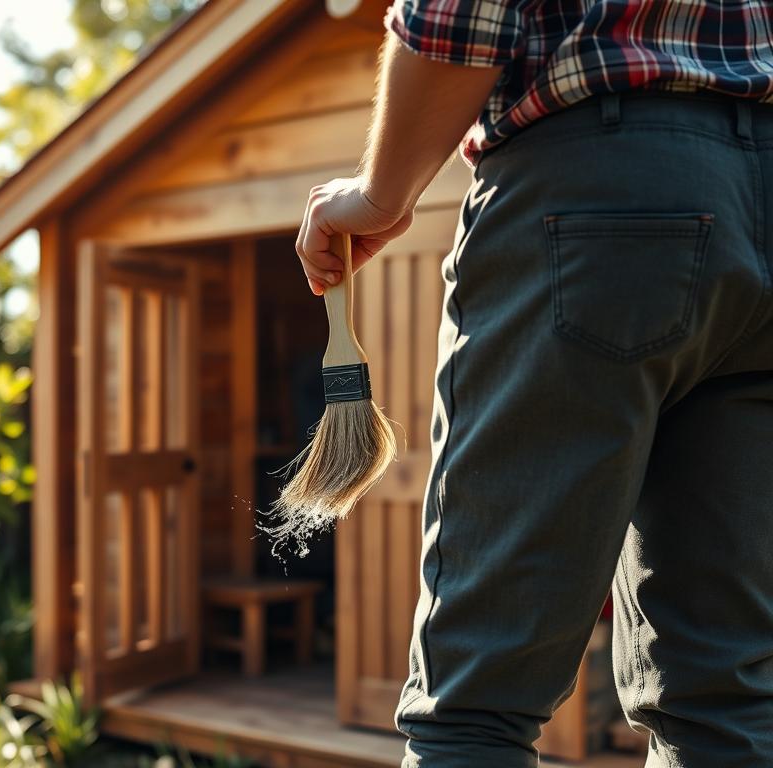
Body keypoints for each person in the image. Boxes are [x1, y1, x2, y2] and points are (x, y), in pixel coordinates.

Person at [294, 1, 773, 766]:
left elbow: (461, 16)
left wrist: (381, 194)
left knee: (473, 707)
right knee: (730, 702)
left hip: (596, 194)